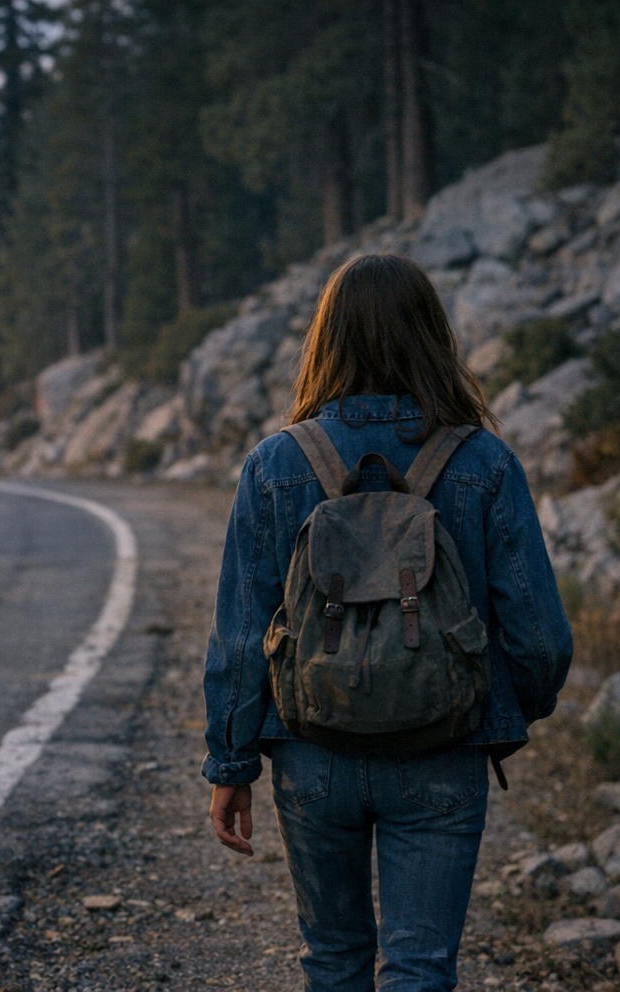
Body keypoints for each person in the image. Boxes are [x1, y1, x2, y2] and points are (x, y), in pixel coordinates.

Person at [201, 253, 573, 992]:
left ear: (324, 341)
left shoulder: (276, 464)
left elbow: (242, 636)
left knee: (334, 960)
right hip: (444, 745)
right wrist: (495, 710)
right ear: (431, 336)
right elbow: (541, 638)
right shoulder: (485, 462)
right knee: (421, 966)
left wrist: (231, 764)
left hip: (311, 749)